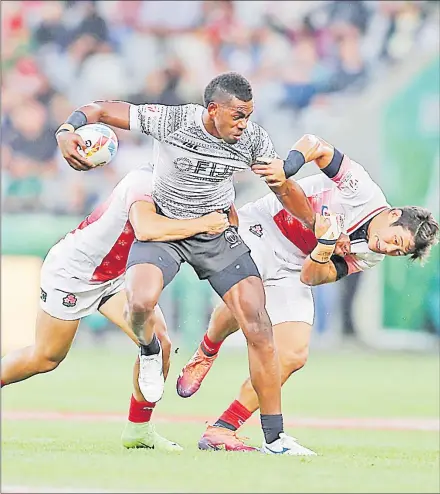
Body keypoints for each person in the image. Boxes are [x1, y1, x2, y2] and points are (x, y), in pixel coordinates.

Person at [55, 72, 319, 455]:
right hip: (166, 227)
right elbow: (102, 110)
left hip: (214, 231)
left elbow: (283, 189)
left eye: (249, 115)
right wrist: (68, 128)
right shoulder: (175, 121)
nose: (244, 124)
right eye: (238, 116)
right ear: (212, 110)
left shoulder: (253, 139)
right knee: (141, 303)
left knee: (259, 326)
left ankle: (276, 438)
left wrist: (316, 224)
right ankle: (149, 350)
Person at [177, 133, 440, 453]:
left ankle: (223, 429)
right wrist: (288, 168)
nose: (388, 249)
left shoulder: (371, 255)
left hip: (296, 266)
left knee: (293, 355)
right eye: (395, 241)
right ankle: (207, 351)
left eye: (398, 253)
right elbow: (315, 144)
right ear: (394, 215)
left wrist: (325, 248)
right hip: (263, 229)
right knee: (249, 301)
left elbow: (312, 277)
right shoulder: (364, 191)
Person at [1, 166, 230, 452]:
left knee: (161, 343)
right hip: (74, 273)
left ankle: (138, 431)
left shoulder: (182, 190)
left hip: (116, 277)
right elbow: (147, 228)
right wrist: (204, 223)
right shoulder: (144, 180)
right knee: (45, 357)